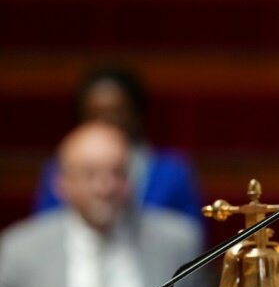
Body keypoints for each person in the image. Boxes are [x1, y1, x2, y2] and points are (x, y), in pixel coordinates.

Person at [0, 121, 210, 287]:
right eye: (90, 175)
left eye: (117, 173)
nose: (105, 187)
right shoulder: (20, 250)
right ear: (61, 183)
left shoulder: (178, 242)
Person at [34, 66, 203, 224]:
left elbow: (190, 235)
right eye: (95, 114)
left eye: (116, 113)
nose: (106, 122)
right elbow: (45, 230)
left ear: (137, 114)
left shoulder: (173, 173)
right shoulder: (62, 169)